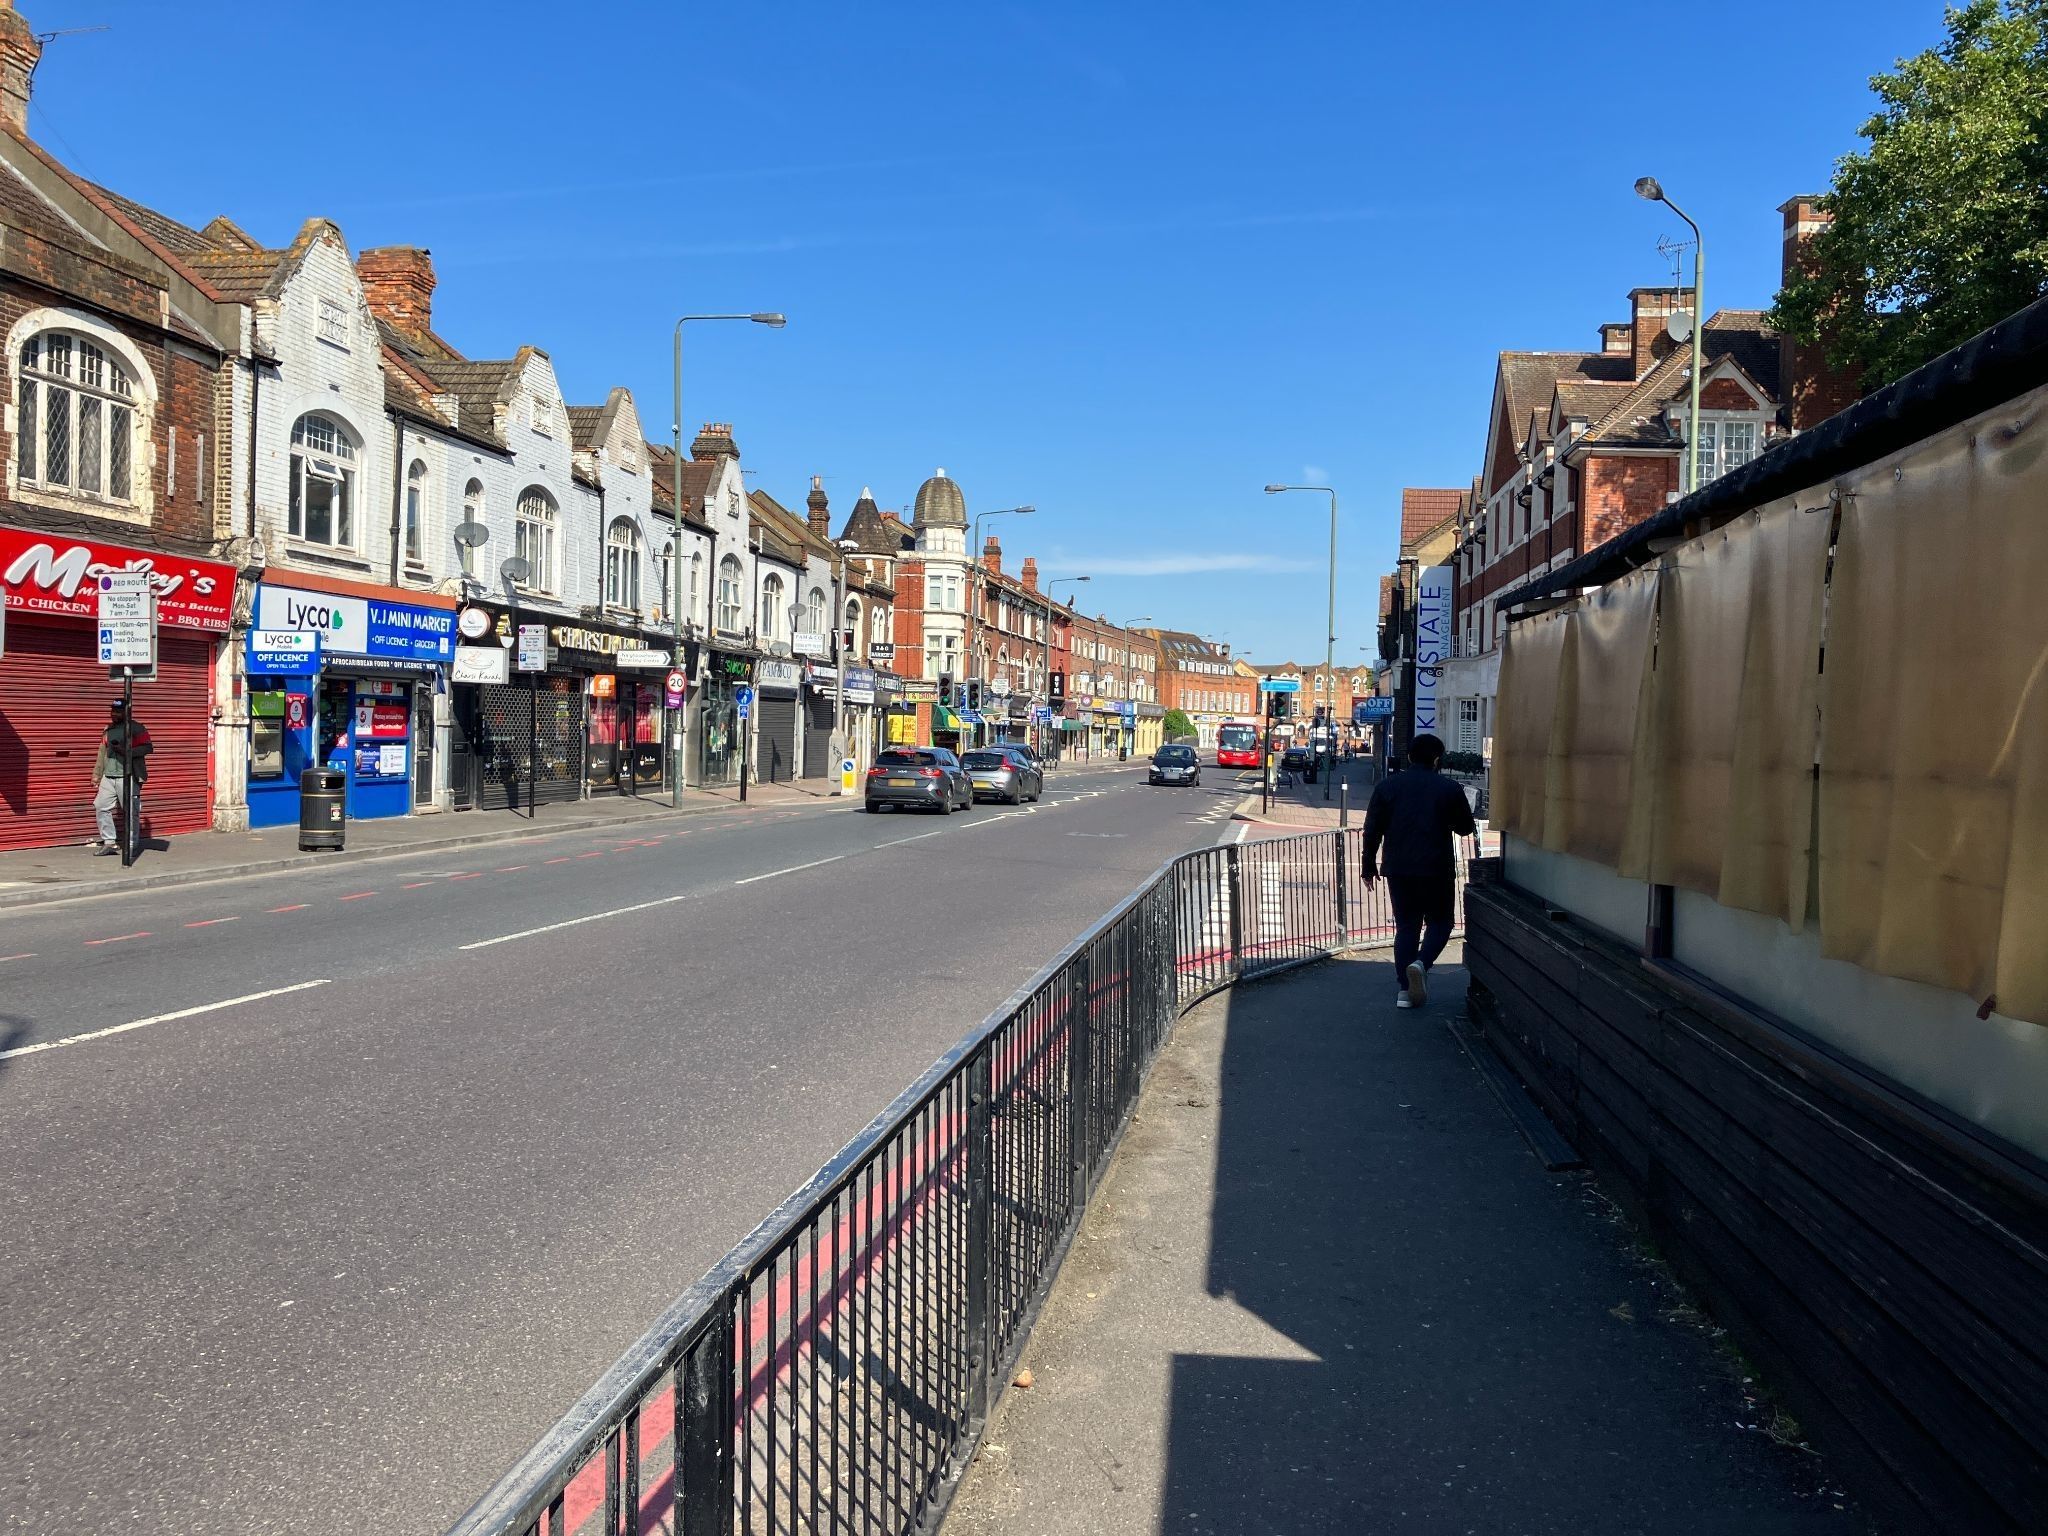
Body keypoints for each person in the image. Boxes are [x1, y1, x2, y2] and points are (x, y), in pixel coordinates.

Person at [1361, 732, 1475, 1009]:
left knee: (1406, 927)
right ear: (1437, 759)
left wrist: (1368, 866)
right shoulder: (1449, 788)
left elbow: (1372, 829)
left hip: (1398, 867)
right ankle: (1421, 964)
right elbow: (1465, 827)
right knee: (1441, 922)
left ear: (1410, 757)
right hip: (1436, 867)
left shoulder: (1387, 786)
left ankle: (1404, 991)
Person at [91, 700, 153, 855]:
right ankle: (109, 842)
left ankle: (131, 844)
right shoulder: (108, 730)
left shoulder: (136, 728)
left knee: (131, 811)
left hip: (128, 776)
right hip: (109, 776)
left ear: (127, 712)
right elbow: (101, 753)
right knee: (100, 806)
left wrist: (127, 751)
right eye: (113, 711)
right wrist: (97, 775)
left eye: (118, 711)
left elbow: (148, 747)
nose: (114, 714)